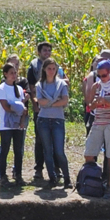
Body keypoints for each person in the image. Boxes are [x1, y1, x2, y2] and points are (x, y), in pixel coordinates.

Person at [83, 56, 110, 186]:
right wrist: (95, 103)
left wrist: (108, 102)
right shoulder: (96, 86)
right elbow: (90, 106)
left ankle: (109, 185)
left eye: (105, 75)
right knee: (89, 153)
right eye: (100, 75)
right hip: (98, 121)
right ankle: (93, 179)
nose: (102, 78)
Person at [33, 58, 70, 187]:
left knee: (59, 151)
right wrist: (55, 101)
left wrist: (48, 103)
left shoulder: (61, 84)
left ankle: (67, 179)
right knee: (47, 150)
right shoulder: (40, 85)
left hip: (58, 120)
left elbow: (64, 100)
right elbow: (39, 101)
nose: (51, 71)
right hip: (43, 120)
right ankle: (52, 178)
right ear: (44, 69)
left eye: (54, 69)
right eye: (49, 68)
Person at [0, 59, 30, 187]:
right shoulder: (1, 88)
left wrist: (22, 122)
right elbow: (5, 107)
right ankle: (2, 175)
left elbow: (23, 108)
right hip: (6, 125)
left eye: (15, 73)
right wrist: (18, 110)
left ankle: (18, 175)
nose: (14, 75)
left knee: (18, 150)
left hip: (17, 125)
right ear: (5, 74)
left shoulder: (19, 89)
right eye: (11, 73)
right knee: (5, 149)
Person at [25, 39, 55, 182]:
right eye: (44, 50)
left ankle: (55, 169)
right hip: (40, 108)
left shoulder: (54, 65)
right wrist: (35, 105)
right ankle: (38, 169)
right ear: (39, 52)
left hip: (54, 109)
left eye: (49, 50)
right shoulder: (34, 66)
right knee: (40, 140)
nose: (47, 53)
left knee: (54, 139)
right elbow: (31, 87)